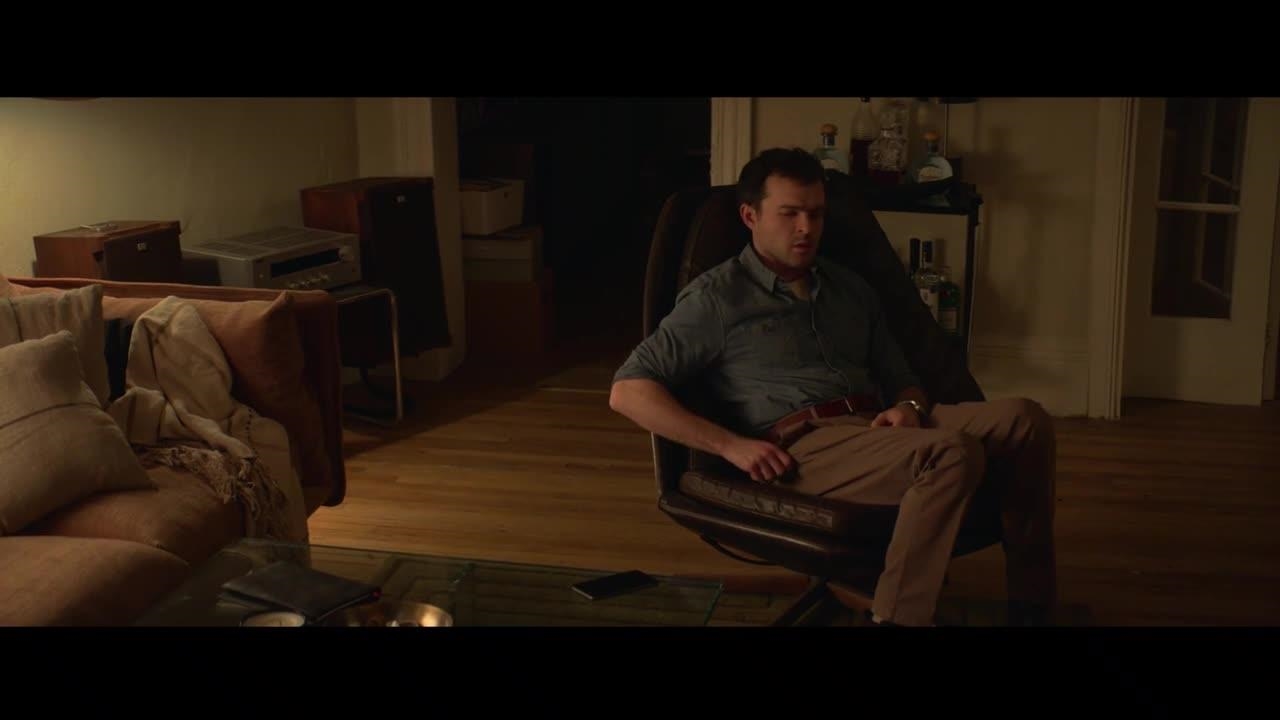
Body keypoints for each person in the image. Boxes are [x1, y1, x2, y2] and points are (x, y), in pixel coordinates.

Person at [608, 147, 1057, 627]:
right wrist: (731, 446)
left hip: (876, 426)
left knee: (1025, 420)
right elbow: (628, 390)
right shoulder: (717, 298)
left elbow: (902, 378)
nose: (806, 228)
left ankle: (1031, 607)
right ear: (750, 216)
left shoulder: (850, 289)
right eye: (790, 214)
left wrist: (908, 406)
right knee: (951, 454)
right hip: (805, 447)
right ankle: (897, 618)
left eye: (816, 214)